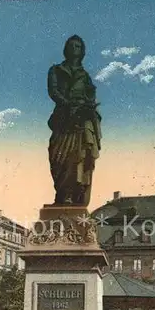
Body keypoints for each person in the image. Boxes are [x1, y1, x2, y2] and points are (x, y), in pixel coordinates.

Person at [47, 35, 102, 206]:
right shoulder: (56, 70)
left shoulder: (85, 76)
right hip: (63, 118)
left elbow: (91, 96)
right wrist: (68, 104)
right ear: (66, 49)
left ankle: (72, 194)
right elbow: (53, 91)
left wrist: (87, 106)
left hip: (82, 118)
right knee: (58, 157)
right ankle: (61, 192)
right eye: (71, 45)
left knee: (80, 155)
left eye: (78, 46)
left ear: (82, 51)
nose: (74, 49)